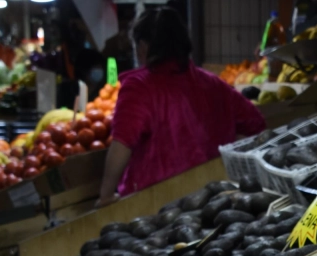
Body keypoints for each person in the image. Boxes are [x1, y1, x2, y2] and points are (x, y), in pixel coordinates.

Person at [96, 7, 266, 207]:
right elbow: (257, 125)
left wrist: (106, 195)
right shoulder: (212, 83)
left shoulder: (139, 87)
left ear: (142, 47)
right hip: (215, 202)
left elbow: (122, 144)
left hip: (155, 208)